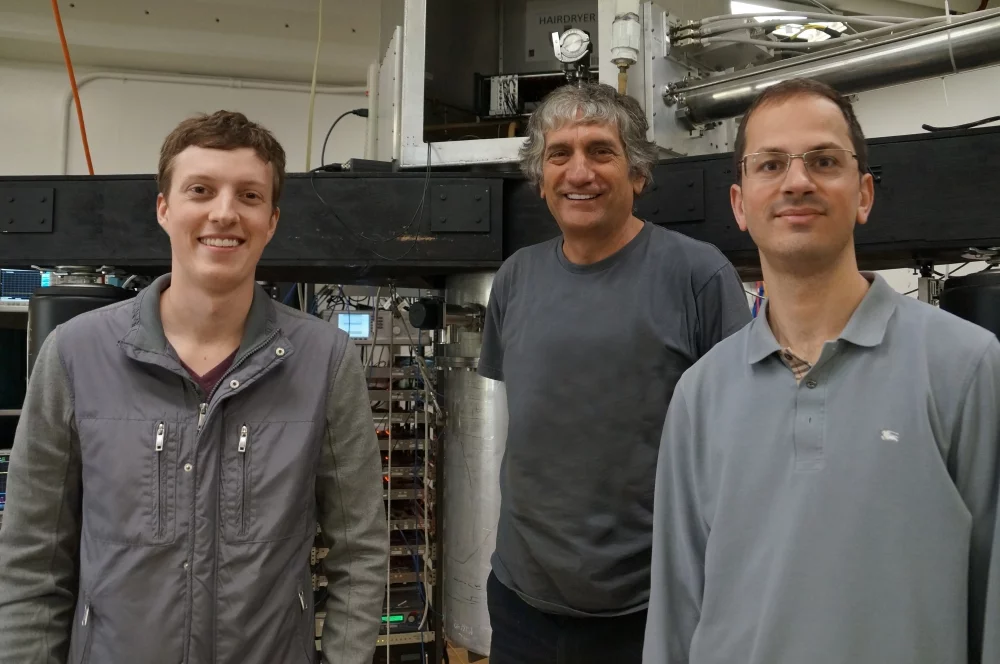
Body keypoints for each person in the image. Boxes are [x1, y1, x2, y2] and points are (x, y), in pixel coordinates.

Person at [0, 110, 388, 664]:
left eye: (249, 196)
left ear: (272, 220)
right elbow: (31, 558)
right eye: (200, 190)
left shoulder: (325, 361)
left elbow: (361, 549)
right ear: (164, 208)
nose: (224, 213)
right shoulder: (75, 354)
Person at [643, 78, 1000, 664]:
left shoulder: (966, 367)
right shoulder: (700, 394)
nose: (797, 181)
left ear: (864, 194)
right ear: (740, 204)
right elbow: (675, 616)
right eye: (770, 164)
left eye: (824, 161)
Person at [477, 83, 750, 663]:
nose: (579, 172)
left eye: (601, 151)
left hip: (650, 607)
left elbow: (740, 445)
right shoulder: (515, 278)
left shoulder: (698, 275)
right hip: (522, 602)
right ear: (540, 178)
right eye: (559, 154)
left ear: (638, 173)